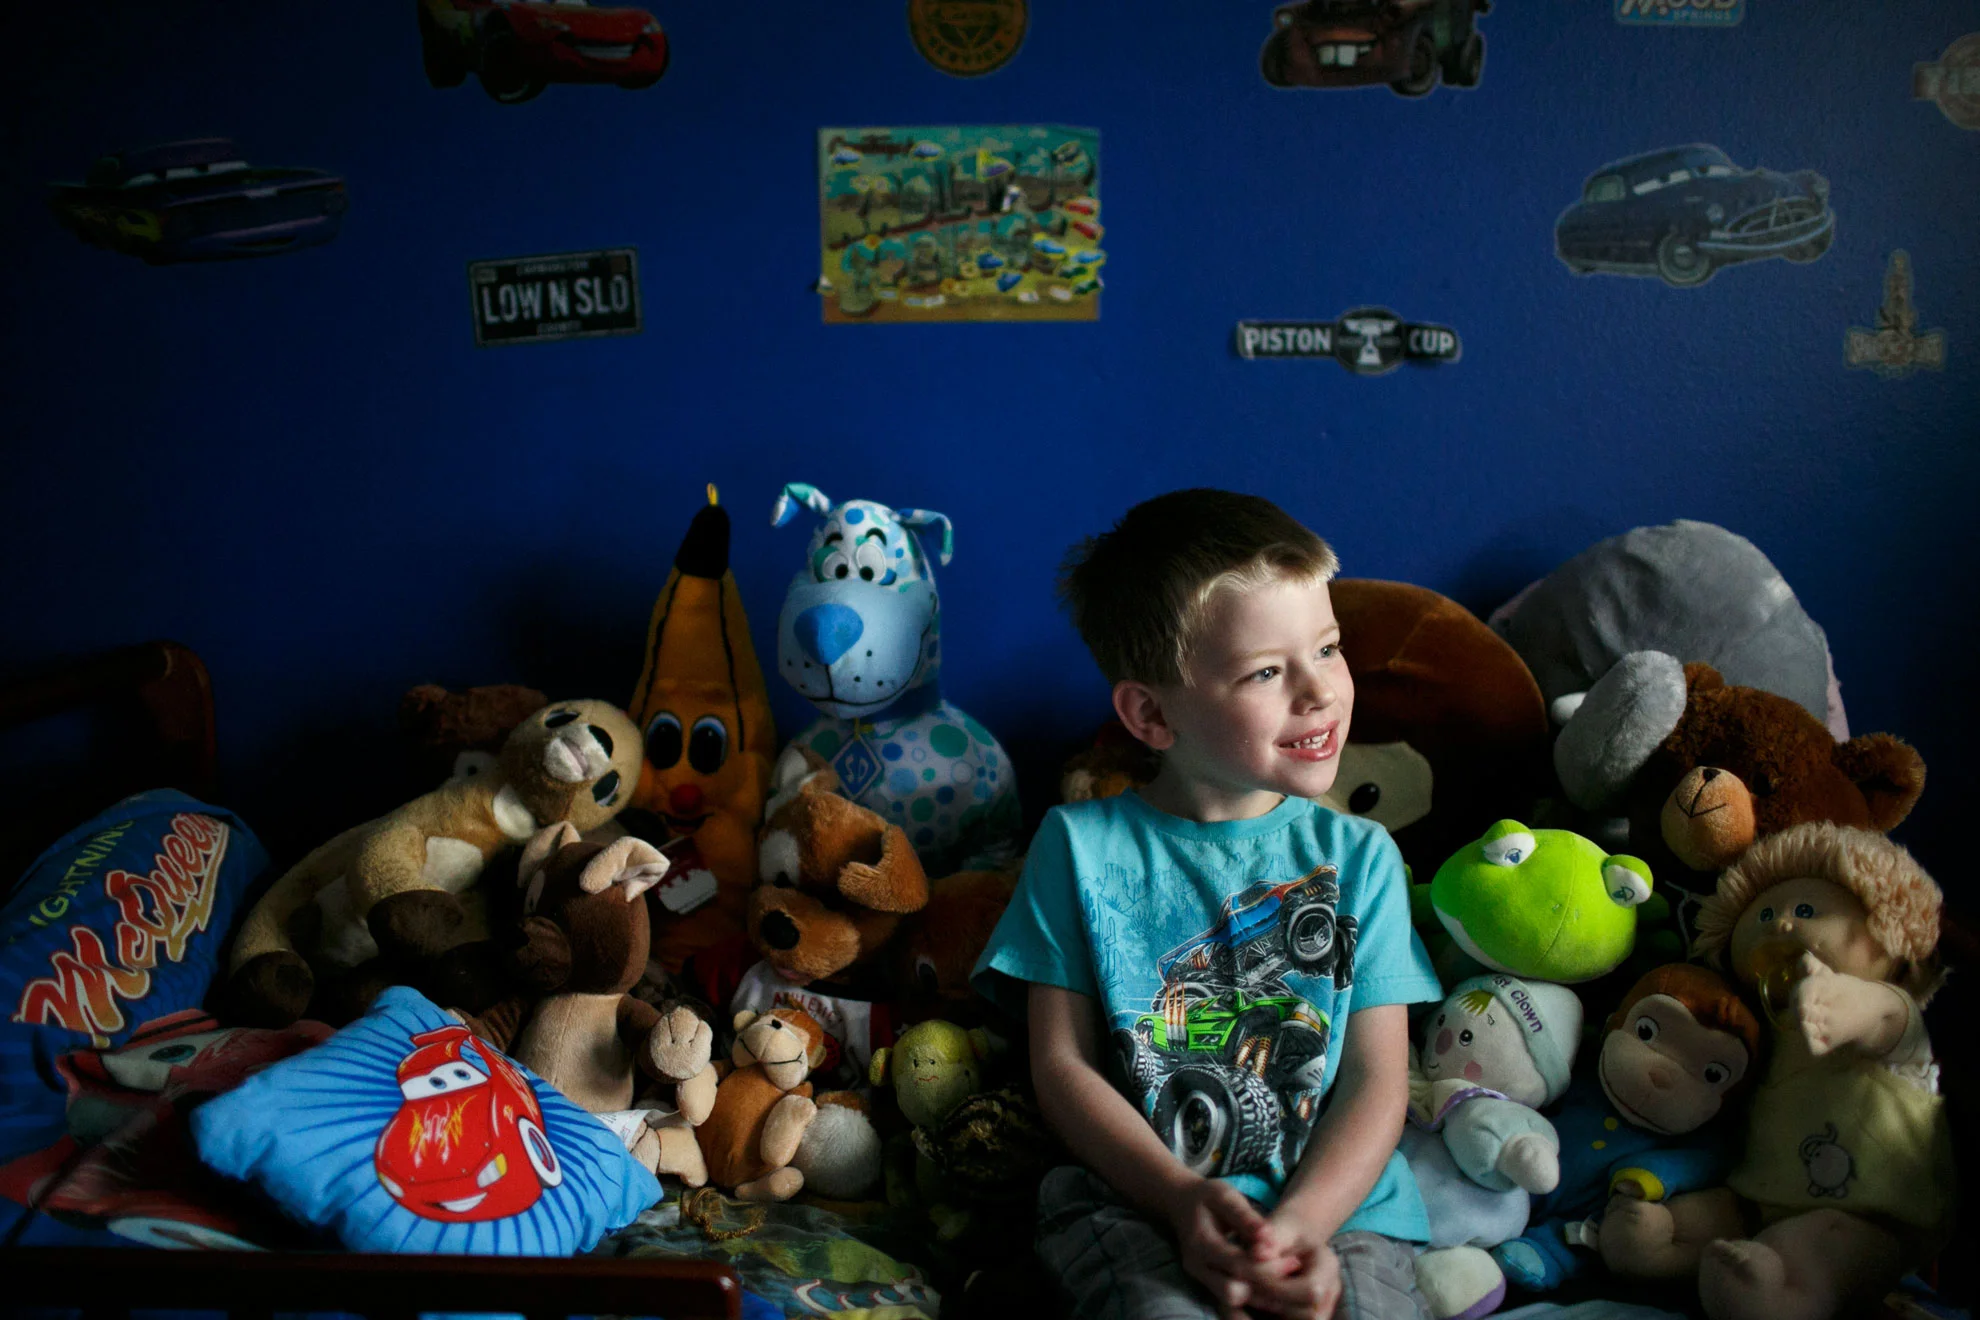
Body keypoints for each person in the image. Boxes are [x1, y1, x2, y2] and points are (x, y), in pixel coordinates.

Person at [972, 489, 1443, 1320]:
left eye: (1328, 649)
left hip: (1341, 1209)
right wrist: (1179, 1198)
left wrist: (1303, 1226)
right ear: (1151, 713)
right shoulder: (1078, 849)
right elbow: (1063, 1067)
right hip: (1135, 1202)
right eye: (1265, 671)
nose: (1320, 692)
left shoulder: (1361, 857)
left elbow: (1378, 1081)